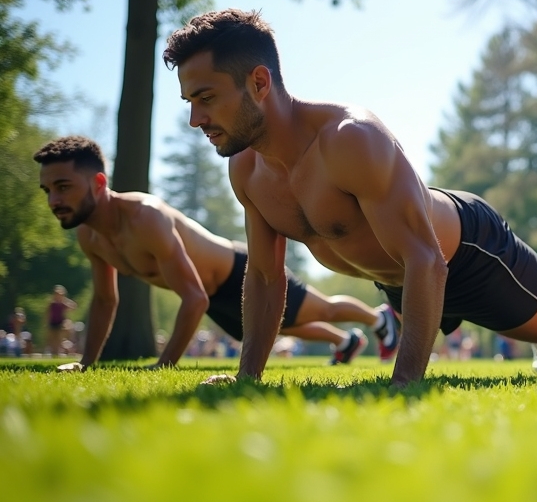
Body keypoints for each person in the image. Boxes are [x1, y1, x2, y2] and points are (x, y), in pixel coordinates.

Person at [161, 9, 537, 387]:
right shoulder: (247, 168)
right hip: (401, 278)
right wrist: (247, 376)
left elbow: (427, 259)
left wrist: (405, 381)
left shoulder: (349, 140)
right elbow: (265, 276)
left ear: (258, 82)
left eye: (207, 98)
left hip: (464, 251)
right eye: (189, 101)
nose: (195, 119)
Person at [33, 135, 400, 370]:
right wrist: (85, 363)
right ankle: (345, 341)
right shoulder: (90, 237)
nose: (54, 201)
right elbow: (104, 300)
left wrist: (164, 364)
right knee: (282, 326)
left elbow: (193, 298)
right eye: (48, 191)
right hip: (213, 296)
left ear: (99, 183)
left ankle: (377, 318)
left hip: (237, 272)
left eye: (63, 187)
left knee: (324, 309)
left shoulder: (146, 218)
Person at [47, 285, 78, 356]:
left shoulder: (63, 304)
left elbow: (74, 306)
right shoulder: (52, 304)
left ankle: (57, 353)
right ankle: (54, 353)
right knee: (52, 339)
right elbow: (48, 314)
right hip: (52, 323)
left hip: (60, 323)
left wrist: (64, 300)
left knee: (59, 339)